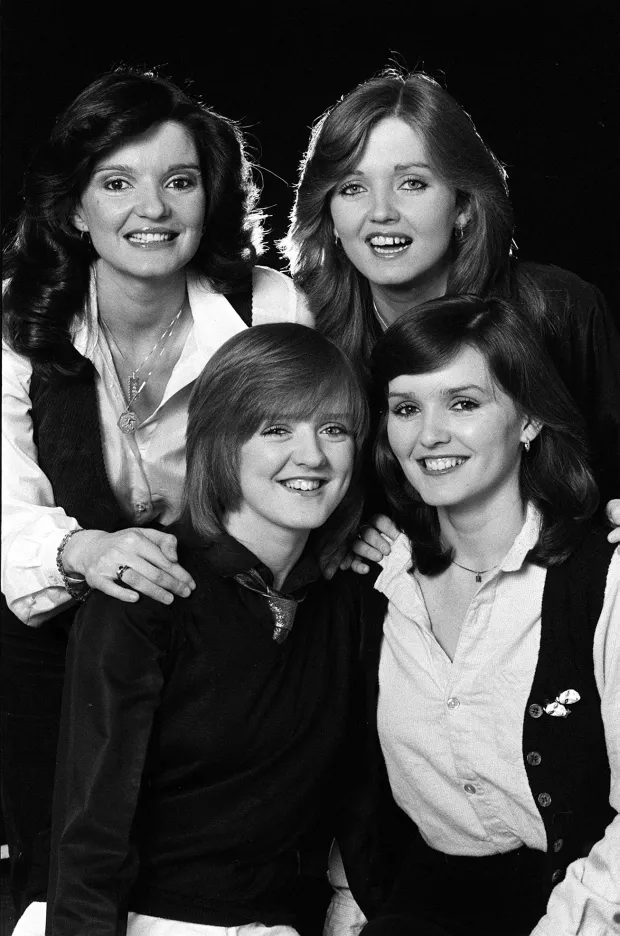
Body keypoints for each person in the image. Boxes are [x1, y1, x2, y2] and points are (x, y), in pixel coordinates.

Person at [1, 67, 311, 914]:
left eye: (179, 182)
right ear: (74, 208)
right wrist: (86, 548)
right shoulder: (18, 321)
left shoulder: (267, 304)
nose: (153, 209)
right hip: (66, 629)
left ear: (209, 198)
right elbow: (4, 504)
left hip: (217, 627)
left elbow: (306, 460)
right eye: (117, 183)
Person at [8, 323, 369, 936]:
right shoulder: (150, 589)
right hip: (120, 919)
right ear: (221, 443)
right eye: (276, 428)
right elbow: (89, 824)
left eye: (334, 429)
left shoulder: (346, 604)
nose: (312, 456)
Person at [328, 296, 619, 936]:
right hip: (421, 906)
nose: (429, 434)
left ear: (530, 419)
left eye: (464, 403)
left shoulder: (604, 576)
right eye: (406, 408)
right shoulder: (377, 582)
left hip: (579, 907)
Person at [281, 67, 620, 533]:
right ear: (329, 214)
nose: (381, 213)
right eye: (353, 188)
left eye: (412, 183)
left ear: (462, 205)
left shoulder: (560, 309)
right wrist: (344, 534)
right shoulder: (305, 324)